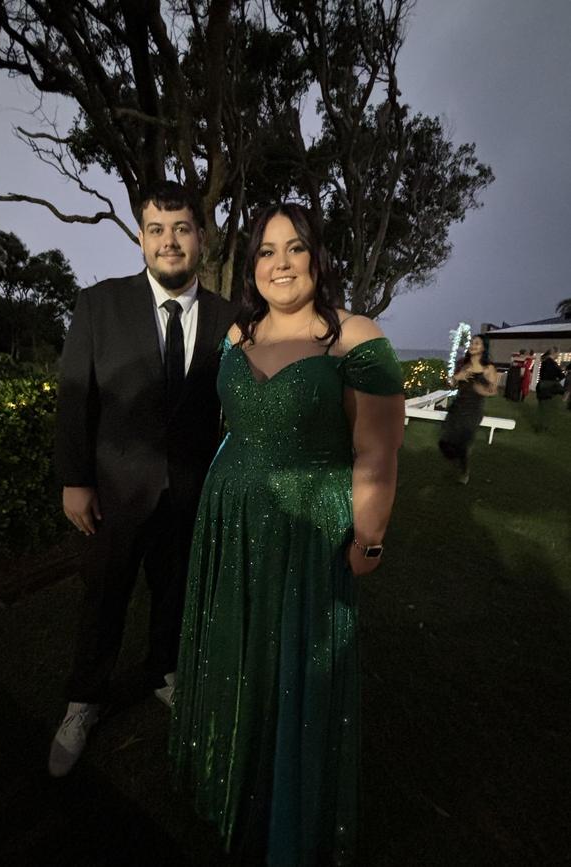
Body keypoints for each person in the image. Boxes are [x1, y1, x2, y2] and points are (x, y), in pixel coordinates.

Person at [169, 203, 405, 865]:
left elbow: (379, 451)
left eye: (294, 247)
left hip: (308, 531)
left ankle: (283, 808)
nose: (279, 262)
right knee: (237, 650)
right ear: (252, 265)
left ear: (317, 257)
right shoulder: (238, 333)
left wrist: (370, 536)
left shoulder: (357, 336)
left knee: (295, 668)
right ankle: (229, 781)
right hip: (230, 520)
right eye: (266, 250)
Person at [49, 181, 236, 777]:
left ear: (200, 238)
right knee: (103, 599)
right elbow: (75, 396)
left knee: (176, 593)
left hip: (190, 489)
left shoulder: (232, 319)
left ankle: (165, 674)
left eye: (181, 229)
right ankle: (84, 701)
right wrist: (75, 479)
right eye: (157, 229)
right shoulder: (99, 304)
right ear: (141, 238)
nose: (169, 241)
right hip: (114, 491)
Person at [438, 334, 498, 484]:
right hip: (457, 407)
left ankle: (464, 472)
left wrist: (482, 391)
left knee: (463, 443)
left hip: (473, 409)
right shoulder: (463, 365)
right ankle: (457, 464)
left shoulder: (488, 368)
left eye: (477, 343)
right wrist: (456, 378)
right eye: (472, 342)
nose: (473, 345)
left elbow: (493, 390)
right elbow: (450, 384)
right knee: (444, 442)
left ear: (484, 347)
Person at [535, 348, 565, 431]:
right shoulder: (553, 364)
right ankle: (545, 426)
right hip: (549, 387)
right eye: (558, 354)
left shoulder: (544, 362)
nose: (558, 355)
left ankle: (540, 425)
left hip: (541, 385)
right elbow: (561, 376)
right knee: (548, 408)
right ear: (554, 353)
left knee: (542, 408)